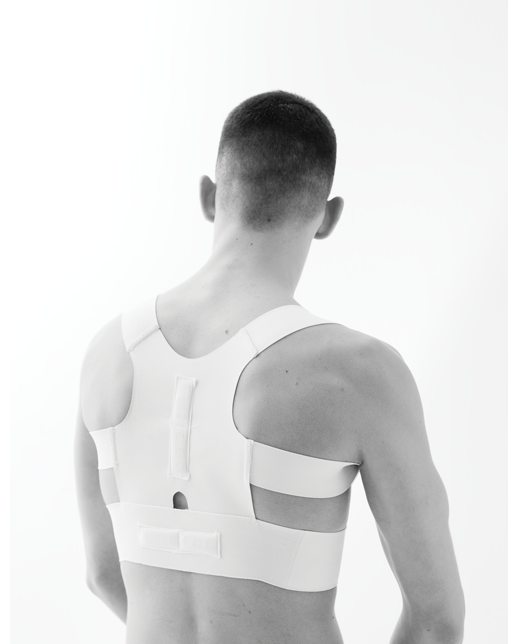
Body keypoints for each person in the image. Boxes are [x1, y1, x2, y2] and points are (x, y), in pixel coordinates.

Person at [74, 90, 465, 644]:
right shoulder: (357, 373)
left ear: (209, 196)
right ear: (328, 217)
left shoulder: (107, 353)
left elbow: (102, 574)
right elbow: (435, 621)